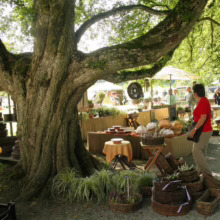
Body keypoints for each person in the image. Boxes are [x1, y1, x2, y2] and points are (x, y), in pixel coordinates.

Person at [189, 84, 212, 176]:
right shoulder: (204, 100)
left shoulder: (202, 102)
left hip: (204, 130)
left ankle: (208, 174)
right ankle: (202, 173)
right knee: (202, 152)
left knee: (196, 150)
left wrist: (194, 129)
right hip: (205, 130)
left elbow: (203, 118)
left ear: (196, 93)